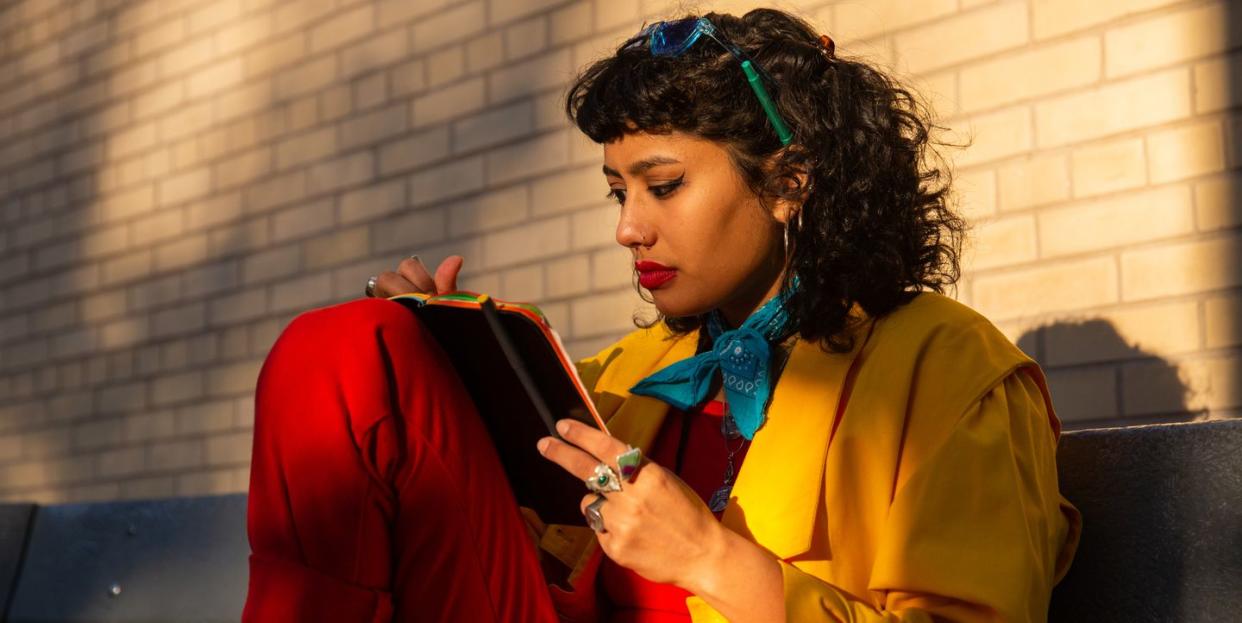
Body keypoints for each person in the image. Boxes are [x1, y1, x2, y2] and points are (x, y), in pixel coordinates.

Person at [243, 8, 1080, 623]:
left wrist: (711, 558)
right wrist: (451, 375)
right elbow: (518, 566)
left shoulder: (951, 367)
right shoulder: (633, 368)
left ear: (790, 181)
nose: (627, 227)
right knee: (357, 348)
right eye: (618, 191)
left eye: (664, 184)